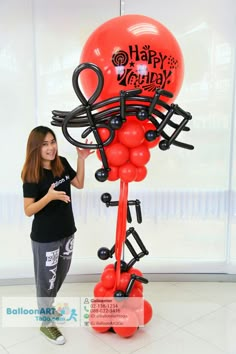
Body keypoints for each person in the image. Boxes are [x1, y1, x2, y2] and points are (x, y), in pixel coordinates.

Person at [21, 126, 93, 345]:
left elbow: (79, 184)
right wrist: (49, 196)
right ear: (36, 148)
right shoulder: (31, 174)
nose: (51, 147)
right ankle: (45, 322)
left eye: (52, 142)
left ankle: (47, 310)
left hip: (67, 232)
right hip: (45, 237)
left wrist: (81, 159)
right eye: (44, 144)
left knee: (59, 275)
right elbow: (28, 210)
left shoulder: (61, 162)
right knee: (46, 281)